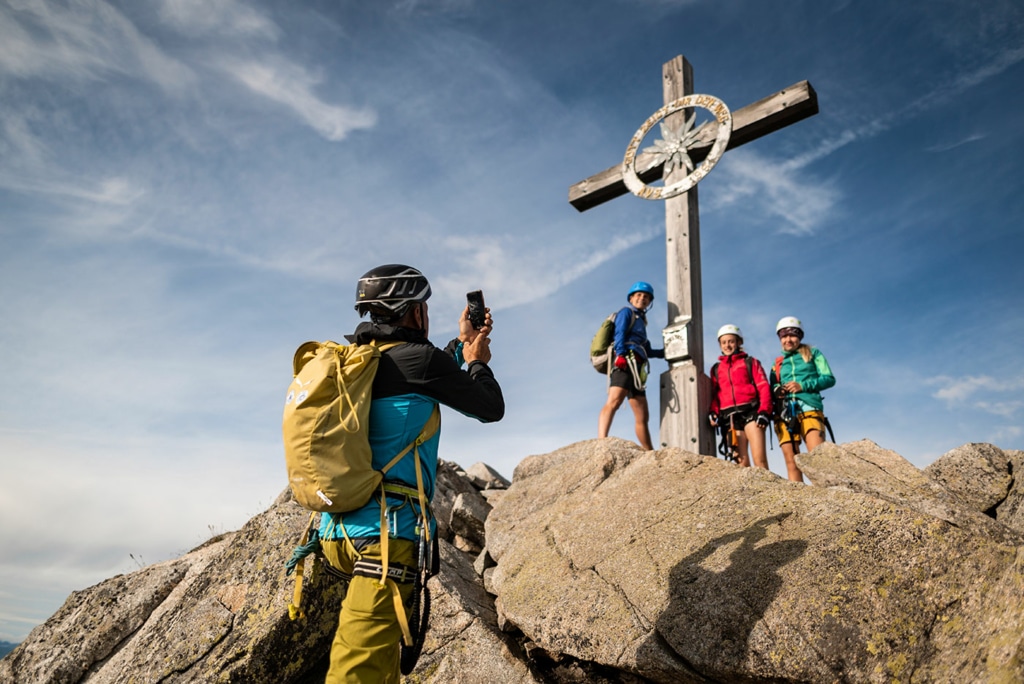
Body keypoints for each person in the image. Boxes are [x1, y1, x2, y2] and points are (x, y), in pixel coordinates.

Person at [319, 264, 504, 683]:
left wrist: (460, 344)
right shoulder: (418, 361)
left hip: (336, 531)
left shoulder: (359, 358)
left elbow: (420, 373)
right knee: (358, 669)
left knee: (381, 665)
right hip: (384, 540)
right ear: (413, 311)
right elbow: (489, 407)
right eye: (423, 306)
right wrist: (476, 362)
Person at [597, 281, 665, 451]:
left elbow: (647, 350)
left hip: (638, 369)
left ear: (649, 302)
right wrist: (619, 354)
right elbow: (619, 333)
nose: (642, 298)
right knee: (614, 400)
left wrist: (666, 353)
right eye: (639, 295)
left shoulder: (641, 322)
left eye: (646, 297)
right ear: (631, 298)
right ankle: (601, 442)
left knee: (643, 415)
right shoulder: (626, 313)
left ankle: (649, 451)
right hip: (625, 360)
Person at [770, 316, 835, 483]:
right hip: (784, 412)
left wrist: (803, 386)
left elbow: (829, 378)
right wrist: (778, 390)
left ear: (799, 336)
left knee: (817, 458)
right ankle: (799, 504)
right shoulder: (777, 363)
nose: (788, 340)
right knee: (792, 462)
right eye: (784, 336)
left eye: (792, 335)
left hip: (809, 407)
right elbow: (772, 386)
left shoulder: (813, 354)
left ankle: (826, 500)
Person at [708, 324, 772, 469]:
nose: (727, 345)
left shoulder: (750, 362)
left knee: (759, 460)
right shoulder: (716, 369)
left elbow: (763, 387)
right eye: (723, 342)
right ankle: (750, 493)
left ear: (739, 342)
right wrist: (713, 412)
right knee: (741, 465)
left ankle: (767, 491)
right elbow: (715, 394)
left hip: (752, 412)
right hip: (730, 418)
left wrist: (764, 411)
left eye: (731, 341)